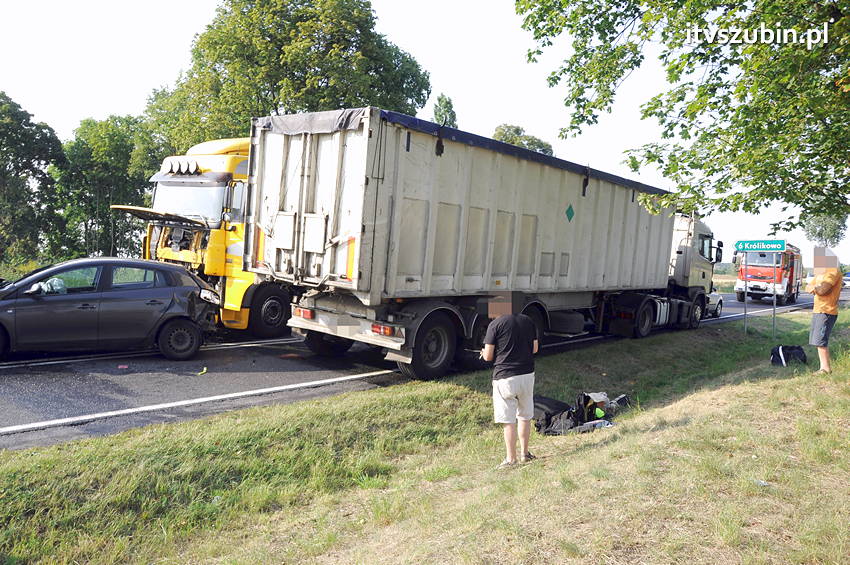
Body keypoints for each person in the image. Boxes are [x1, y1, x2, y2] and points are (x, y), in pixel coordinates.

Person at [480, 292, 539, 468]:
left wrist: (483, 355)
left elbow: (489, 356)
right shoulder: (528, 321)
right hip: (527, 375)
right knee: (525, 416)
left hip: (505, 378)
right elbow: (534, 348)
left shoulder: (495, 325)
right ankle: (525, 454)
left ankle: (511, 459)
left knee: (508, 420)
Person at [805, 247, 842, 374]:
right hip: (818, 310)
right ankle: (823, 367)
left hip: (827, 310)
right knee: (816, 340)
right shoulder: (821, 273)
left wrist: (815, 288)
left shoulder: (833, 271)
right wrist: (816, 287)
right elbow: (807, 287)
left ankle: (826, 369)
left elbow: (822, 290)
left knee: (821, 340)